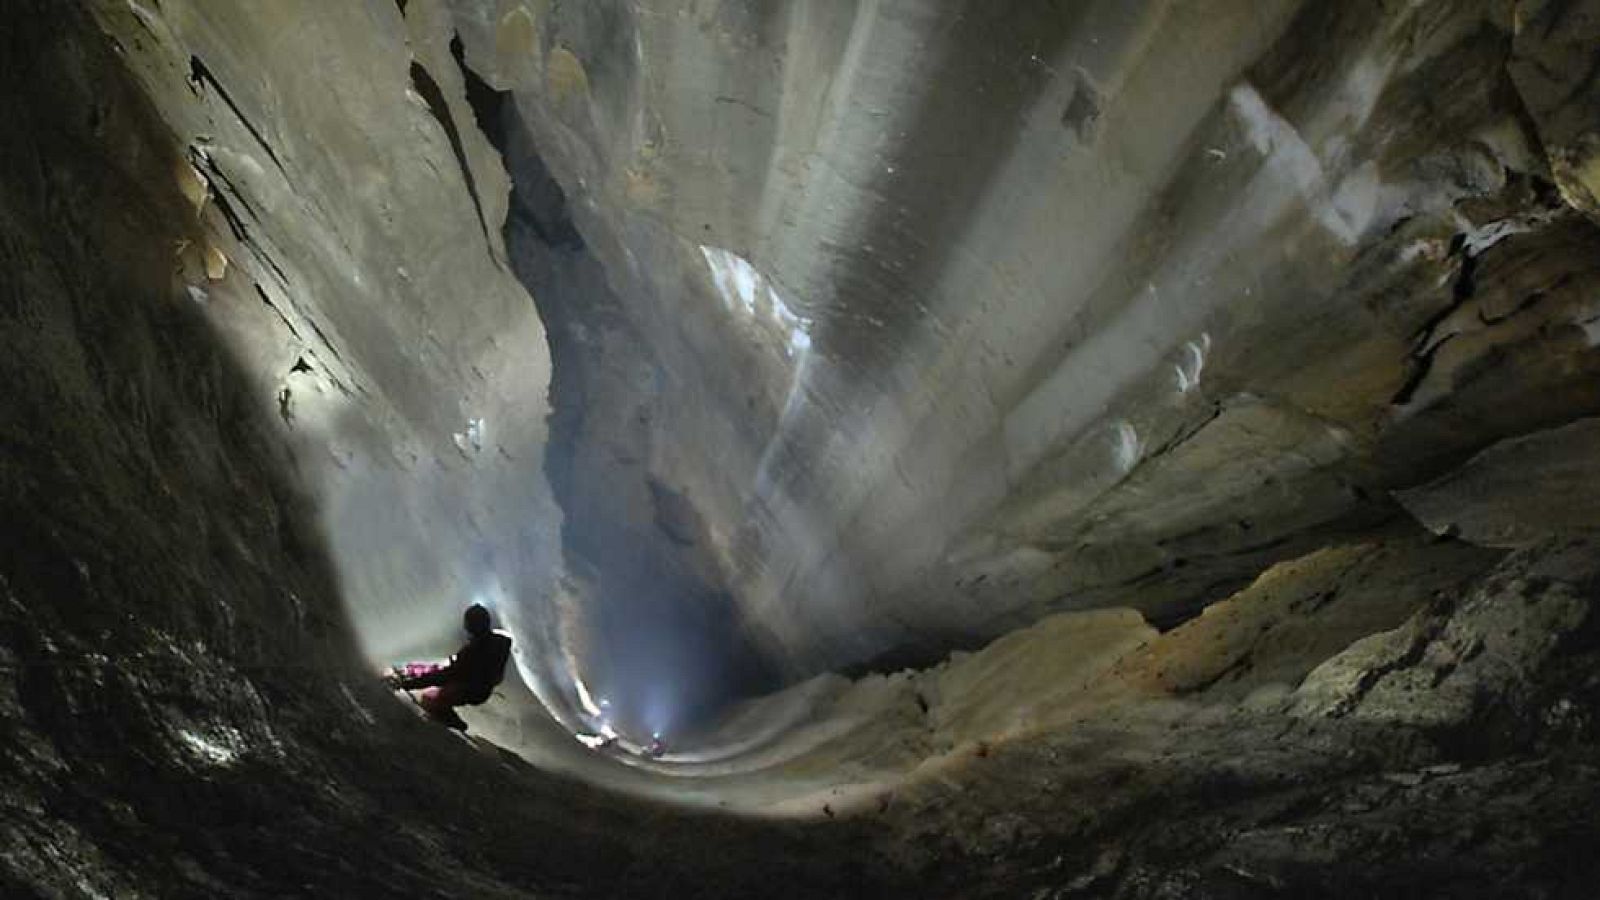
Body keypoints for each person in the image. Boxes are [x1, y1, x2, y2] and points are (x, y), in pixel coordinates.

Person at [390, 603, 512, 732]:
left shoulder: (471, 652)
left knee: (428, 699)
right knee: (442, 677)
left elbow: (444, 676)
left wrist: (408, 684)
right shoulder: (501, 642)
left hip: (470, 691)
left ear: (468, 626)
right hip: (484, 688)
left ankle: (454, 722)